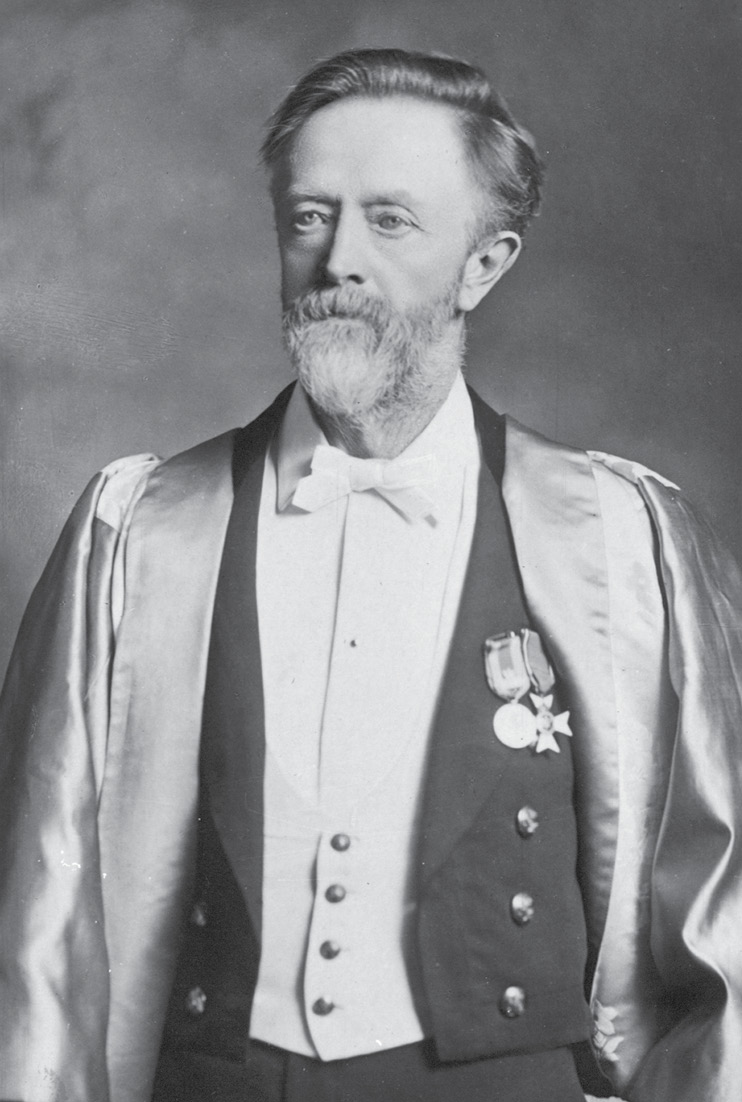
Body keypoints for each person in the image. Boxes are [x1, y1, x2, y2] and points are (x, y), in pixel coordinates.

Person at [0, 47, 741, 1102]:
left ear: (484, 264)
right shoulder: (140, 533)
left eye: (390, 221)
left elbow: (722, 939)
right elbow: (38, 929)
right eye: (310, 216)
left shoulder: (623, 543)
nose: (338, 257)